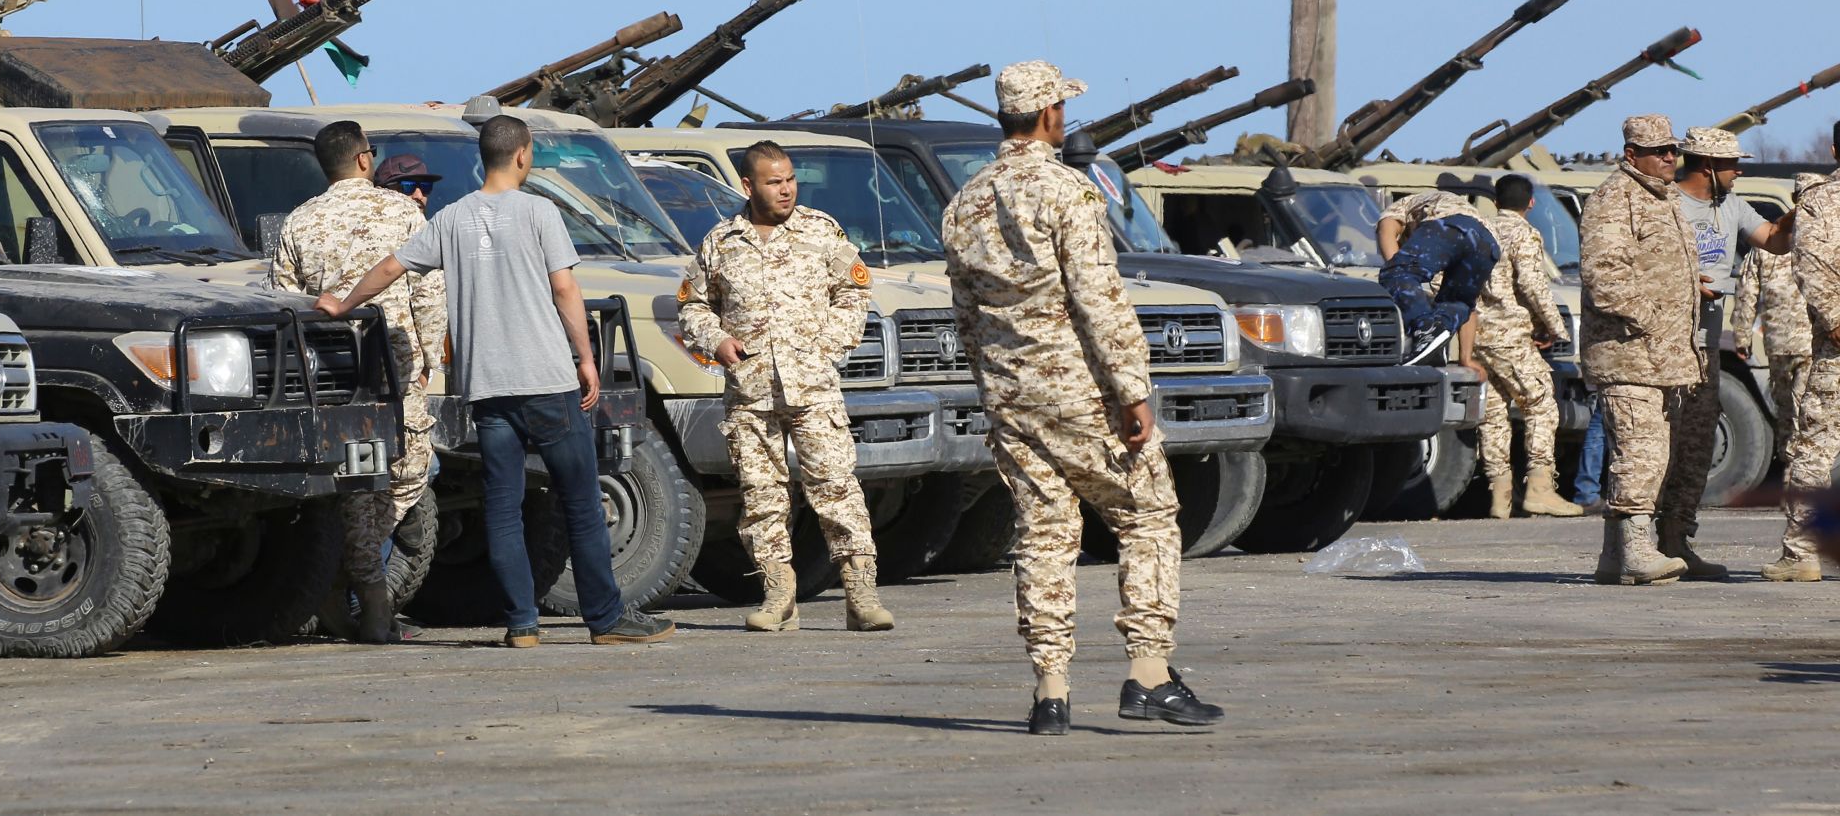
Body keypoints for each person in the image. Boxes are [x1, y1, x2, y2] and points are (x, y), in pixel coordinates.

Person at [318, 114, 673, 647]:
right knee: (580, 498)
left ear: (483, 157)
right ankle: (606, 619)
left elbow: (391, 267)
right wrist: (586, 357)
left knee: (503, 508)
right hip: (546, 379)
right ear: (523, 155)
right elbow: (565, 290)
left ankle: (522, 624)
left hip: (486, 387)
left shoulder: (452, 218)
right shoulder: (539, 212)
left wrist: (343, 304)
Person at [943, 60, 1221, 736]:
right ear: (1049, 117)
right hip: (1078, 388)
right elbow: (1098, 298)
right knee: (1149, 515)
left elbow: (966, 317)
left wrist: (998, 395)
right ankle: (1149, 674)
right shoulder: (1067, 190)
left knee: (1044, 535)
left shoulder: (963, 202)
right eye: (1063, 107)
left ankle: (1051, 692)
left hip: (1011, 396)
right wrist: (1132, 392)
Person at [676, 139, 895, 633]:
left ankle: (860, 593)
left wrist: (827, 345)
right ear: (749, 186)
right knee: (762, 496)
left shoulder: (820, 231)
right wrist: (718, 340)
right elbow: (693, 305)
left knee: (836, 488)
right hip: (751, 393)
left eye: (791, 179)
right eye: (774, 182)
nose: (787, 190)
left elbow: (854, 291)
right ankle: (778, 594)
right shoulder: (721, 240)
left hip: (813, 388)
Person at [269, 121, 444, 643]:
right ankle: (364, 591)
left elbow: (283, 300)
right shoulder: (404, 212)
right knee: (407, 471)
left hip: (331, 375)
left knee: (354, 480)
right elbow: (429, 291)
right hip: (398, 367)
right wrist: (433, 353)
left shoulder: (299, 221)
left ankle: (356, 590)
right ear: (365, 160)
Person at [1657, 127, 1795, 579]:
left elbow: (1773, 239)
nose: (1739, 170)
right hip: (1661, 347)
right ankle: (1637, 543)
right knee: (1656, 447)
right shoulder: (1665, 205)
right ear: (1708, 166)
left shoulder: (1730, 206)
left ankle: (1677, 541)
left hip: (1703, 345)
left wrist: (1800, 211)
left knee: (1697, 445)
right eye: (1733, 164)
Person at [1580, 115, 1697, 585]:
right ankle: (1635, 550)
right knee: (1641, 453)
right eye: (1659, 151)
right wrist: (1653, 319)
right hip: (1628, 353)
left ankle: (1615, 557)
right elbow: (1605, 276)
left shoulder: (1662, 199)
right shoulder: (1616, 199)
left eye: (1674, 150)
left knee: (1644, 452)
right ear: (1632, 155)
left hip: (1660, 357)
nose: (1671, 157)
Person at [1474, 174, 1582, 518]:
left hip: (1478, 336)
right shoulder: (1523, 233)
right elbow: (1533, 285)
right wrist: (1554, 327)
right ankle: (1539, 486)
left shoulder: (1480, 230)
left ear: (1495, 201)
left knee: (1493, 415)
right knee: (1541, 404)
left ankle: (1499, 494)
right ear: (1531, 203)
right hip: (1509, 335)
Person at [1774, 124, 1840, 581]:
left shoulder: (1821, 201)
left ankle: (1801, 553)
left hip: (1836, 351)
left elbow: (1811, 268)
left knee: (1815, 449)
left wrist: (1835, 321)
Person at [1731, 173, 1819, 466]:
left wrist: (1742, 337)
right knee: (1805, 411)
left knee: (1787, 412)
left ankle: (1792, 472)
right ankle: (1803, 474)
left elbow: (1746, 293)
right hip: (1811, 344)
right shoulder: (1825, 242)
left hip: (1781, 345)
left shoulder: (1768, 245)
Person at [1376, 190, 1500, 364]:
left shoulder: (1400, 207)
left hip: (1449, 225)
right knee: (1457, 302)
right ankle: (1435, 343)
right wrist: (1466, 358)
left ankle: (1426, 330)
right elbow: (1469, 310)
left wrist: (1396, 271)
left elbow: (1386, 231)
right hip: (1489, 241)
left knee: (1395, 273)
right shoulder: (1442, 205)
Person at [375, 153, 441, 212]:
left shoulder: (441, 222)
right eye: (408, 186)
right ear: (383, 193)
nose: (419, 196)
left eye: (426, 187)